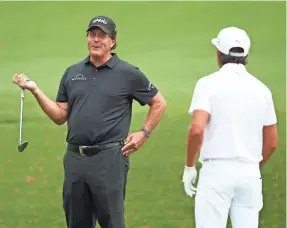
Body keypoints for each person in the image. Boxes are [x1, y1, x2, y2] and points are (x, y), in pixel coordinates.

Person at [12, 15, 166, 228]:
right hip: (75, 160)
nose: (95, 40)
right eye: (92, 35)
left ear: (112, 41)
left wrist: (144, 133)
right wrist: (35, 90)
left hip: (109, 160)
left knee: (112, 222)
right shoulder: (73, 72)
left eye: (101, 36)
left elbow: (158, 102)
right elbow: (59, 116)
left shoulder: (128, 73)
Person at [182, 26, 278, 228]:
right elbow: (272, 142)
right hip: (250, 175)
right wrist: (252, 167)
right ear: (246, 54)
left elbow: (197, 129)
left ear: (219, 53)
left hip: (216, 172)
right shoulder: (262, 90)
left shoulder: (207, 84)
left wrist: (189, 166)